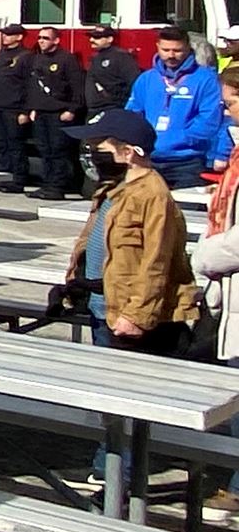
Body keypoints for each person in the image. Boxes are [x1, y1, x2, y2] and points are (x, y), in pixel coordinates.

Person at [56, 109, 198, 357]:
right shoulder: (112, 189)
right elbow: (94, 244)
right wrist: (75, 284)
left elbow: (156, 262)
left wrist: (137, 316)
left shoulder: (152, 196)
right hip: (103, 309)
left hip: (130, 319)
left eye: (100, 149)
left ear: (128, 152)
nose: (93, 156)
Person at [126, 25, 231, 191]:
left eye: (177, 50)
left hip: (187, 162)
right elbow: (133, 114)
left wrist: (181, 139)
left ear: (188, 48)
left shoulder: (206, 79)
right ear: (157, 47)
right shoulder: (146, 79)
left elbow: (209, 120)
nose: (171, 55)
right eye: (165, 50)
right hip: (148, 160)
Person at [21, 23, 89, 200]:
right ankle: (47, 185)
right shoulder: (36, 59)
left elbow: (77, 87)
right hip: (41, 113)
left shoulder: (67, 59)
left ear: (56, 40)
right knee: (45, 151)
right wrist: (32, 109)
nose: (41, 41)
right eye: (39, 38)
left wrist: (72, 109)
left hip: (59, 113)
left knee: (59, 151)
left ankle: (58, 187)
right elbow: (32, 87)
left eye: (46, 38)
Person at [0, 24, 35, 193]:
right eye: (4, 34)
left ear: (19, 37)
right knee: (1, 143)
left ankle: (18, 179)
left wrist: (25, 111)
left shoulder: (26, 56)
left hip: (14, 108)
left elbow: (29, 85)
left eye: (9, 34)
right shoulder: (0, 55)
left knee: (15, 145)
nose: (4, 37)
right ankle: (5, 177)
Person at [86, 19, 142, 115]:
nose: (91, 40)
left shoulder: (121, 57)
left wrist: (115, 100)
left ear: (110, 39)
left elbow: (135, 83)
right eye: (91, 37)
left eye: (97, 37)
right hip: (94, 110)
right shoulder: (95, 58)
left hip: (113, 109)